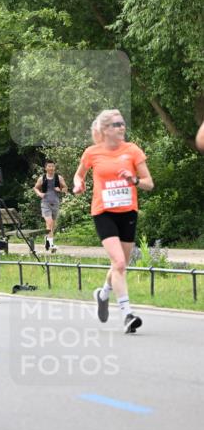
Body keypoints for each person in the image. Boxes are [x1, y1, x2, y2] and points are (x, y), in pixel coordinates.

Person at [73, 109, 153, 333]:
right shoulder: (92, 152)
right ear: (105, 129)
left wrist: (133, 180)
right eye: (117, 124)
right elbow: (79, 175)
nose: (122, 127)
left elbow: (149, 183)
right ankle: (127, 314)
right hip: (103, 212)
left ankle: (103, 293)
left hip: (128, 213)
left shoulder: (133, 150)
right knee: (118, 263)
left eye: (123, 123)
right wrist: (78, 184)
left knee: (120, 265)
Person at [33, 160, 68, 252]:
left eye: (53, 166)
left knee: (52, 225)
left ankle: (47, 240)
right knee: (49, 222)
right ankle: (51, 245)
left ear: (54, 167)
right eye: (49, 166)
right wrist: (39, 194)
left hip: (55, 203)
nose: (51, 168)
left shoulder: (59, 178)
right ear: (46, 168)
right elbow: (35, 188)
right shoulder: (42, 178)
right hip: (45, 203)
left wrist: (60, 189)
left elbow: (65, 188)